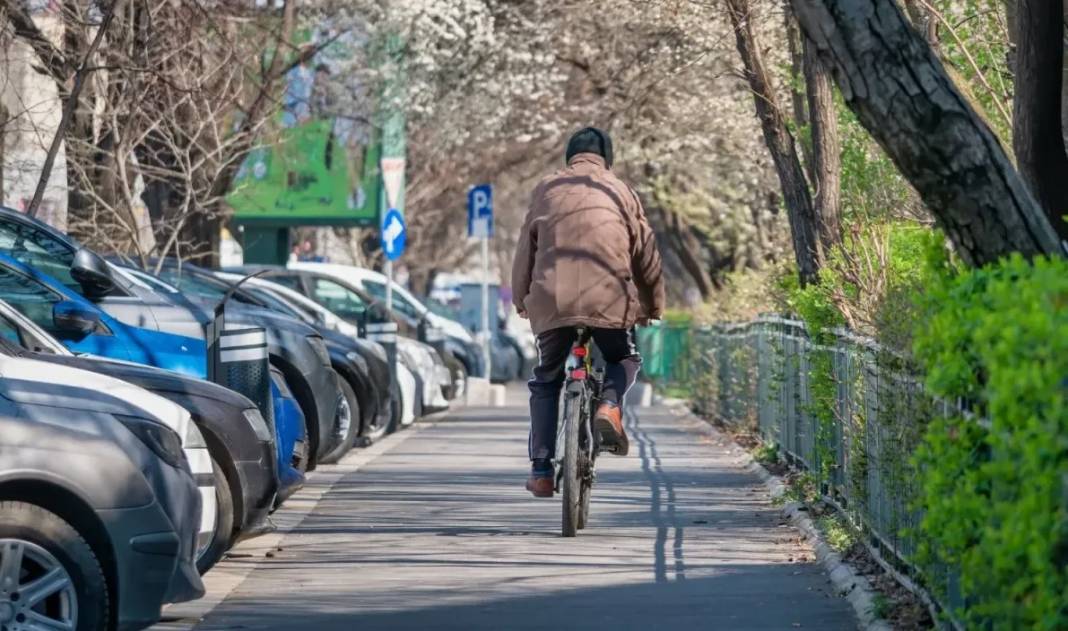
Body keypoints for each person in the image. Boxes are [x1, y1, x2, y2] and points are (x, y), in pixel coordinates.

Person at [511, 127, 665, 498]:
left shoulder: (546, 189)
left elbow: (525, 252)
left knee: (547, 379)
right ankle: (609, 406)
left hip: (553, 300)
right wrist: (653, 305)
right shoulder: (620, 191)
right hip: (609, 298)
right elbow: (646, 254)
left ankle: (542, 470)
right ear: (607, 158)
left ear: (569, 157)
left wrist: (522, 299)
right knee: (624, 356)